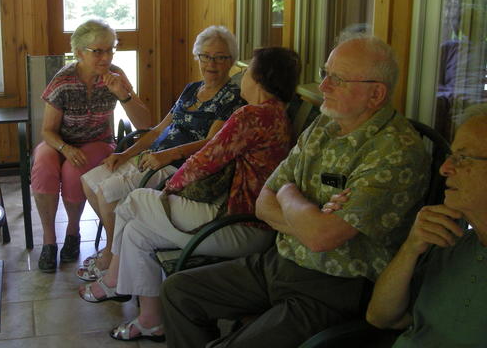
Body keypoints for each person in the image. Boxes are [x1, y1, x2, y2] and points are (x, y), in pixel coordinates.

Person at [160, 34, 430, 348]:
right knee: (178, 292)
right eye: (325, 73)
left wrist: (287, 194)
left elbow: (320, 237)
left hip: (334, 288)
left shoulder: (395, 152)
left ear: (375, 94)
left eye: (337, 79)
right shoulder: (324, 127)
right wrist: (308, 215)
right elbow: (264, 203)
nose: (324, 86)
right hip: (279, 262)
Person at [78, 47, 301, 342]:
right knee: (135, 231)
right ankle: (151, 320)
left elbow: (203, 160)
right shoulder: (274, 115)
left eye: (246, 72)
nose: (242, 77)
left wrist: (170, 189)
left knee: (135, 201)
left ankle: (114, 278)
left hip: (239, 224)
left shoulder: (252, 115)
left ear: (260, 79)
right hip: (237, 216)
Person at [79, 25, 244, 274]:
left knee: (107, 191)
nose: (211, 63)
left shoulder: (232, 97)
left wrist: (169, 155)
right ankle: (118, 245)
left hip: (178, 167)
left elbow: (212, 143)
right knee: (89, 181)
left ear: (230, 60)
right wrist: (124, 154)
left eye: (220, 57)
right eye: (206, 56)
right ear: (197, 56)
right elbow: (156, 131)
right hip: (152, 157)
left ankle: (113, 255)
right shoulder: (191, 89)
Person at [33, 19, 151, 272]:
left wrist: (124, 94)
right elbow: (47, 131)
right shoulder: (63, 80)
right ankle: (49, 240)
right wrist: (65, 148)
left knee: (75, 170)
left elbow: (145, 124)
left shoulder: (116, 76)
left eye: (110, 49)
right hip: (59, 142)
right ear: (79, 53)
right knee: (43, 163)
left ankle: (73, 233)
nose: (106, 57)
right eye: (98, 51)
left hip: (97, 141)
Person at [366, 104, 487, 348]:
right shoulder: (450, 235)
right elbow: (381, 318)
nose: (444, 169)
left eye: (462, 158)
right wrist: (410, 249)